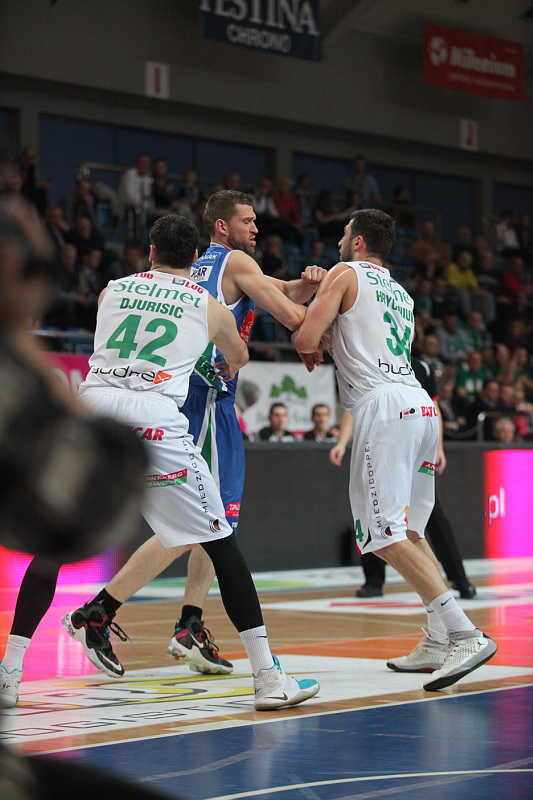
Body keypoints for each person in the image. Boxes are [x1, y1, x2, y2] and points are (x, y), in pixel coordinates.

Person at [62, 192, 324, 682]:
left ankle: (184, 623)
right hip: (204, 401)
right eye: (248, 220)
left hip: (174, 395)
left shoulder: (204, 269)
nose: (256, 228)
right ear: (221, 226)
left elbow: (283, 290)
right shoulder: (235, 262)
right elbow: (291, 314)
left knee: (206, 522)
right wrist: (329, 312)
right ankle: (106, 612)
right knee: (209, 524)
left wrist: (306, 285)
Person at [292, 208, 496, 691]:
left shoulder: (343, 272)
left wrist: (311, 316)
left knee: (381, 535)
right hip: (420, 406)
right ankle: (440, 638)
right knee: (411, 530)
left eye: (344, 235)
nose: (339, 242)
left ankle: (465, 633)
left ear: (359, 242)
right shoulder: (401, 293)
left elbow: (305, 336)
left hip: (383, 407)